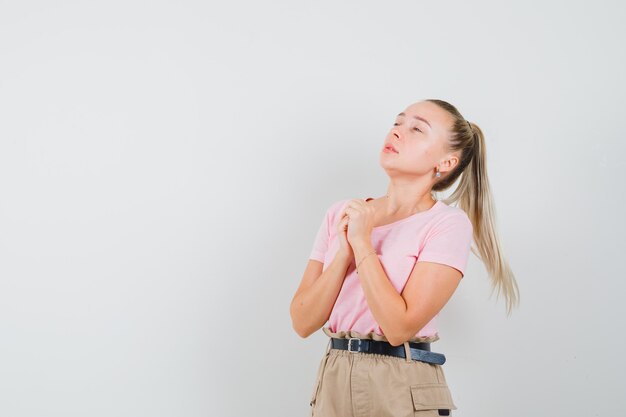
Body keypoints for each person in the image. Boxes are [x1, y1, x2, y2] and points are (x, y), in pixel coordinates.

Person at [289, 99, 520, 417]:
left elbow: (398, 328)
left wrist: (361, 242)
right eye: (398, 122)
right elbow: (302, 322)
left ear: (446, 163)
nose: (397, 132)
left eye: (416, 129)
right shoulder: (341, 214)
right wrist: (344, 253)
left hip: (402, 383)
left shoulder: (447, 225)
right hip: (334, 377)